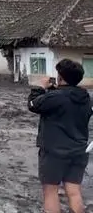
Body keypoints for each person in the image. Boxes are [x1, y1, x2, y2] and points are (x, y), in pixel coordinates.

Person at [28, 59, 92, 213]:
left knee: (50, 192)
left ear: (60, 78)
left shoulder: (55, 97)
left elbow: (33, 105)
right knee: (74, 192)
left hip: (54, 153)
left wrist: (39, 88)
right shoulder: (85, 97)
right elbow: (67, 102)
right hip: (78, 151)